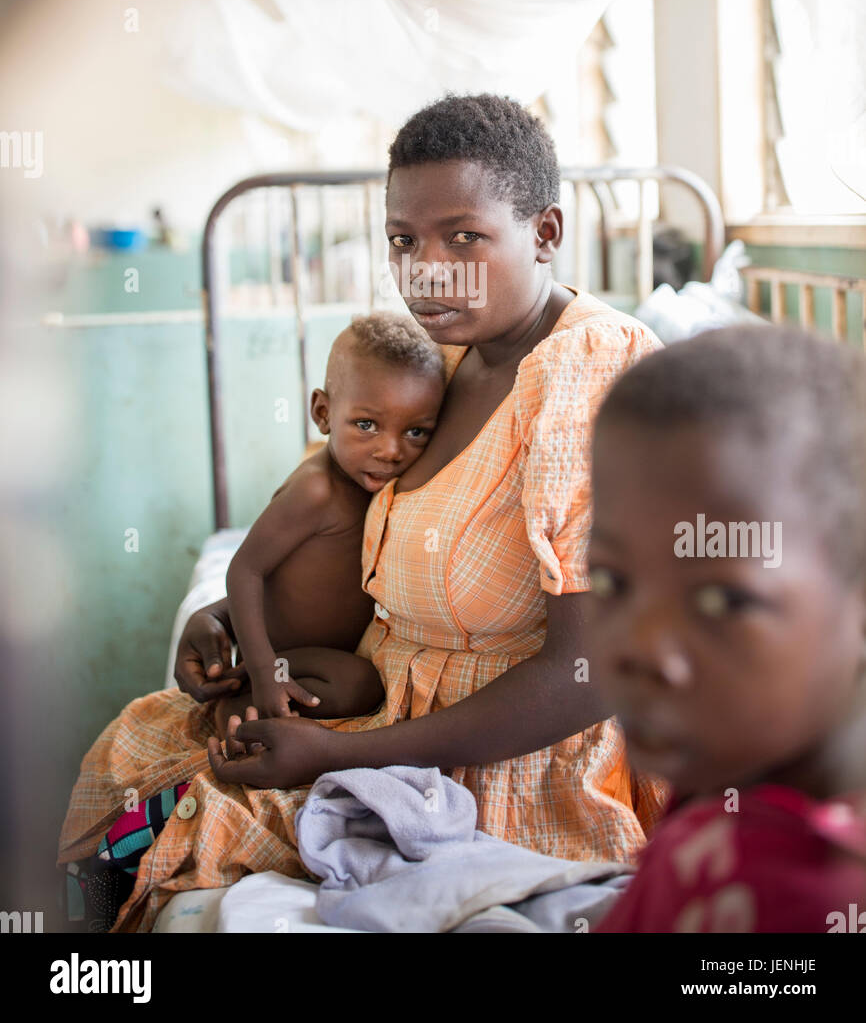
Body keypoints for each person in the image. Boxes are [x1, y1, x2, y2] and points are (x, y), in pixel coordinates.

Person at [58, 93, 669, 933]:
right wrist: (233, 616)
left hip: (500, 764)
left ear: (546, 233)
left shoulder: (589, 373)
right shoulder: (442, 358)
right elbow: (343, 525)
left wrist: (341, 754)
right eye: (403, 241)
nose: (427, 271)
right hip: (375, 700)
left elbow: (587, 674)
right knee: (136, 755)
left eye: (465, 237)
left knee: (167, 831)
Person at [589, 325, 866, 933]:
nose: (639, 647)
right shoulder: (741, 764)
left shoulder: (777, 888)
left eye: (722, 600)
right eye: (610, 582)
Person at [218, 310, 445, 727]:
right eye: (366, 425)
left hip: (332, 654)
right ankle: (236, 707)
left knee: (365, 684)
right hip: (287, 659)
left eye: (416, 432)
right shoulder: (316, 490)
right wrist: (264, 669)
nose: (391, 450)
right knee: (359, 687)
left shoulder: (391, 485)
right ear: (322, 412)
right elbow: (244, 570)